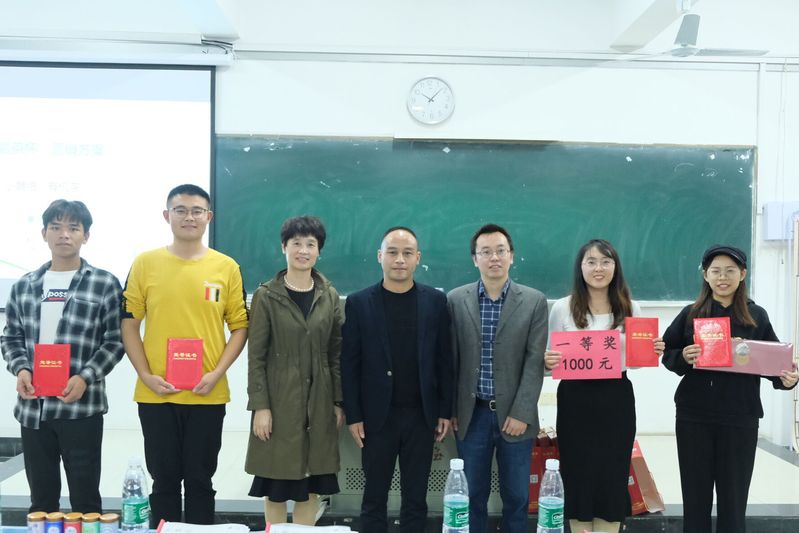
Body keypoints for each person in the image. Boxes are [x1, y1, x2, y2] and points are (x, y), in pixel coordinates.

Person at [121, 184, 249, 526]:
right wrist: (145, 375)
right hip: (157, 393)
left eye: (196, 211)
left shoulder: (226, 267)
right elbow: (129, 324)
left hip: (207, 392)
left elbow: (240, 327)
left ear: (209, 217)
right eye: (180, 210)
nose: (189, 217)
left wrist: (217, 373)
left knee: (199, 480)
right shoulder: (145, 263)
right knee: (163, 480)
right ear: (167, 216)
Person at [662, 244, 798, 533]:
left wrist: (788, 378)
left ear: (742, 274)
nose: (722, 277)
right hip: (694, 417)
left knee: (734, 499)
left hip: (740, 417)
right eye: (715, 271)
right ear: (706, 276)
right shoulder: (690, 314)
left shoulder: (756, 315)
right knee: (695, 495)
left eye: (730, 271)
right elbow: (668, 352)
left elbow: (773, 362)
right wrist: (683, 356)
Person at [1, 199, 124, 514]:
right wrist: (21, 370)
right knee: (41, 501)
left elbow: (114, 342)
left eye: (73, 228)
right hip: (33, 408)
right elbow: (11, 338)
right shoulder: (24, 286)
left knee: (86, 501)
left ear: (86, 235)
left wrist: (85, 378)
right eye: (55, 227)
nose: (64, 234)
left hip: (81, 407)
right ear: (44, 233)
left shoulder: (104, 283)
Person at [544, 239, 665, 533]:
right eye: (591, 262)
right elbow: (549, 361)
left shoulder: (631, 307)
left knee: (612, 471)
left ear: (615, 267)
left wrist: (652, 350)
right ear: (580, 267)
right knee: (577, 471)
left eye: (606, 262)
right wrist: (547, 360)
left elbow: (635, 363)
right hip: (575, 399)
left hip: (615, 398)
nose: (599, 268)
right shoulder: (562, 308)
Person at [340, 226, 453, 533]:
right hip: (377, 418)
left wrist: (445, 410)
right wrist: (354, 414)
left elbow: (445, 360)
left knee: (416, 499)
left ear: (418, 258)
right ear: (380, 256)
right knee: (373, 497)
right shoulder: (359, 302)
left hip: (421, 416)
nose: (399, 259)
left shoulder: (435, 302)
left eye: (407, 253)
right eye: (392, 252)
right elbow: (349, 363)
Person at [447, 223, 548, 533]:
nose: (494, 257)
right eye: (486, 252)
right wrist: (451, 409)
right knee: (471, 496)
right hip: (471, 415)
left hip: (516, 417)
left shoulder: (534, 301)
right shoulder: (455, 299)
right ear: (475, 258)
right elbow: (450, 360)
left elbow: (534, 361)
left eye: (500, 251)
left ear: (512, 256)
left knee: (517, 497)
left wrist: (521, 412)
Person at [245, 215, 344, 525]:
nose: (303, 250)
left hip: (319, 400)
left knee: (311, 487)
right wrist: (260, 407)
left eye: (310, 244)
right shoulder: (266, 295)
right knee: (275, 487)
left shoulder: (329, 294)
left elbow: (336, 353)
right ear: (284, 247)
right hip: (279, 400)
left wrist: (337, 402)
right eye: (296, 243)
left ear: (319, 251)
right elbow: (256, 356)